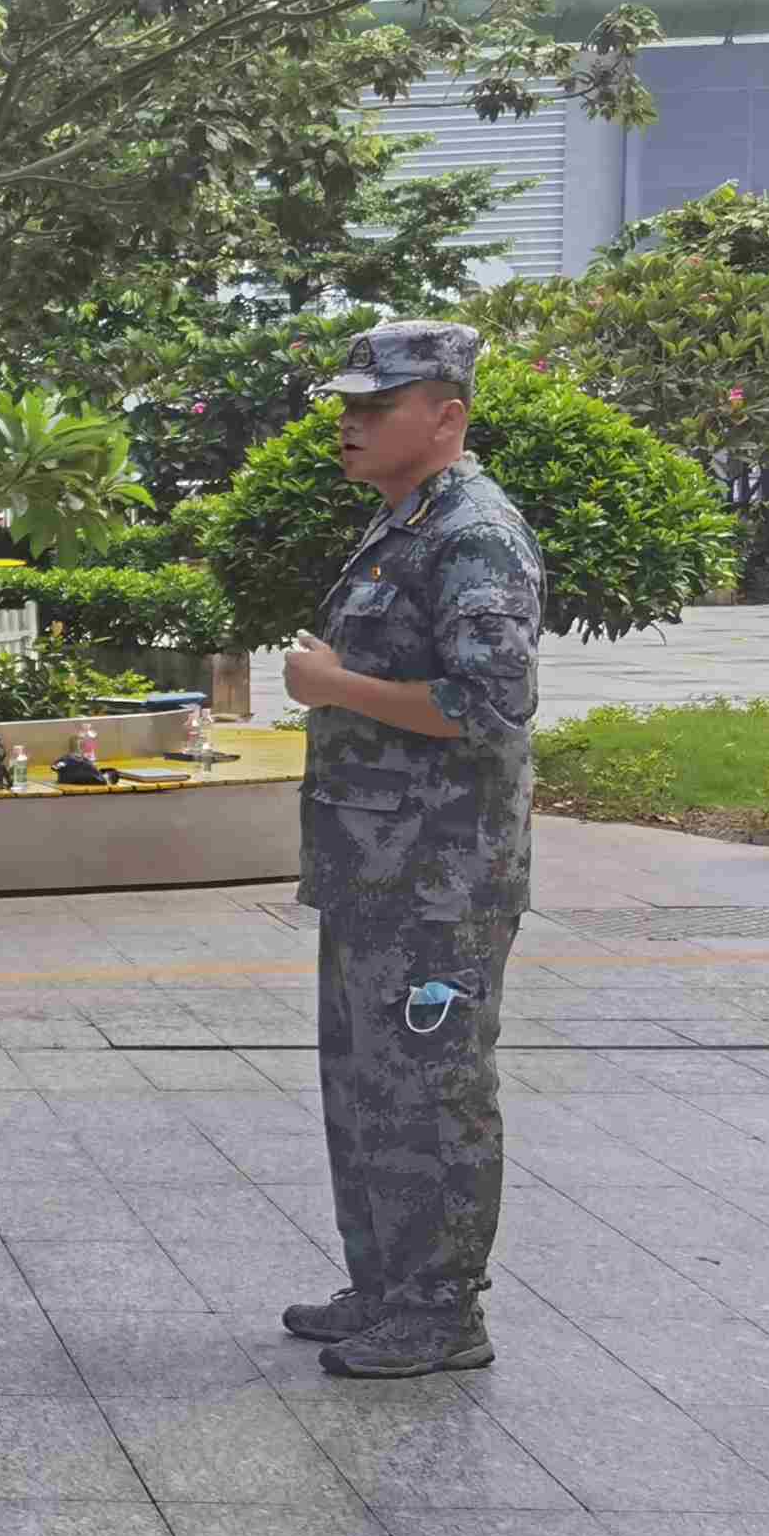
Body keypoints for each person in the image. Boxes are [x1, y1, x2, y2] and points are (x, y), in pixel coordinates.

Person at [279, 318, 544, 1379]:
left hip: (442, 877)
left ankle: (440, 1313)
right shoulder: (406, 521)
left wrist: (335, 686)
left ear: (446, 418)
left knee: (432, 1090)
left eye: (372, 408)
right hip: (375, 867)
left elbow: (492, 702)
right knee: (365, 1083)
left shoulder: (470, 532)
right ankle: (384, 1287)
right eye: (345, 407)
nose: (348, 424)